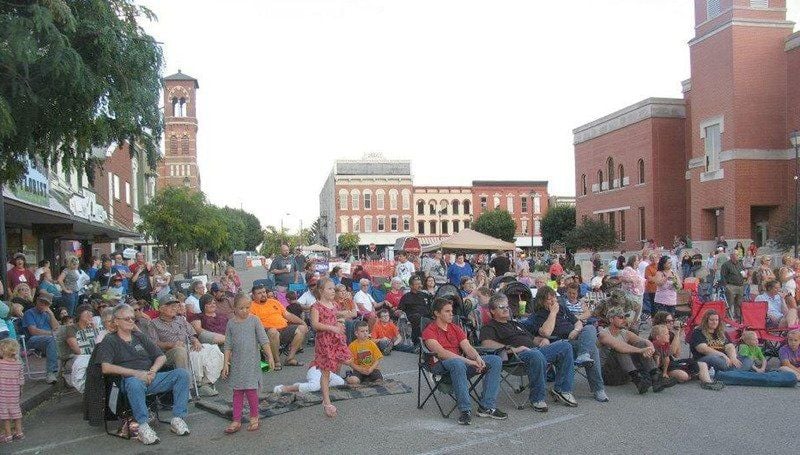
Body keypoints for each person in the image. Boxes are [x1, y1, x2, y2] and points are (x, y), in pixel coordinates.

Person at [95, 304, 191, 445]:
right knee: (134, 382)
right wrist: (136, 373)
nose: (131, 321)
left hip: (150, 376)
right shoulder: (110, 340)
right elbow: (105, 367)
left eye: (132, 318)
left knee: (182, 374)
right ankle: (143, 425)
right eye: (127, 318)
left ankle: (178, 418)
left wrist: (153, 370)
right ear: (116, 321)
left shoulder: (139, 336)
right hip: (128, 380)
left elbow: (161, 356)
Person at [480, 293, 576, 412]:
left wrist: (543, 340)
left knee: (565, 346)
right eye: (501, 307)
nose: (506, 309)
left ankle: (563, 389)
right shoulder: (490, 327)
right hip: (516, 358)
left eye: (507, 307)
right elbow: (487, 345)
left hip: (535, 350)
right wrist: (515, 349)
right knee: (535, 355)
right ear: (492, 311)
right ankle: (537, 399)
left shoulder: (515, 324)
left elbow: (533, 339)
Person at [423, 298, 506, 425]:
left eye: (452, 311)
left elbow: (467, 347)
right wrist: (469, 362)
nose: (452, 314)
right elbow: (442, 354)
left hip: (460, 365)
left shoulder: (455, 328)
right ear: (437, 313)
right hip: (440, 366)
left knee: (495, 360)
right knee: (458, 363)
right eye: (447, 311)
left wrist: (477, 358)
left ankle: (487, 407)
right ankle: (465, 410)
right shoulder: (429, 331)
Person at [530, 286, 608, 402]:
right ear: (541, 301)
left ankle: (583, 354)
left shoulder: (562, 308)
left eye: (554, 298)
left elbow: (578, 323)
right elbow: (546, 333)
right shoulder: (538, 315)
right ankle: (598, 389)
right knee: (593, 350)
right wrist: (553, 313)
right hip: (560, 344)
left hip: (575, 338)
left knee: (590, 328)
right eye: (549, 299)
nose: (553, 301)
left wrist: (576, 330)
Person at [151, 295, 223, 397]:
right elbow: (154, 343)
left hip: (188, 346)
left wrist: (195, 341)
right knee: (180, 351)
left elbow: (191, 334)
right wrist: (172, 345)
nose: (174, 308)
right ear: (161, 308)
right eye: (170, 306)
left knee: (213, 349)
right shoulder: (154, 323)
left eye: (175, 306)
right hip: (168, 353)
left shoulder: (180, 319)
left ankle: (205, 383)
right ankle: (187, 389)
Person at [221, 293, 273, 434]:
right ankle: (236, 420)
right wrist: (226, 363)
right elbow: (227, 345)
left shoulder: (254, 320)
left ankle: (254, 417)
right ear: (234, 309)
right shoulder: (231, 323)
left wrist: (270, 356)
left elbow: (264, 340)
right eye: (241, 308)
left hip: (252, 363)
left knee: (251, 391)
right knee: (237, 392)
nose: (245, 310)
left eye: (247, 307)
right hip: (237, 363)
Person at [310, 277, 353, 418]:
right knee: (326, 372)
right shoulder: (316, 306)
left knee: (343, 361)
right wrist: (333, 328)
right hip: (324, 342)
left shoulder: (334, 304)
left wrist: (341, 320)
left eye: (333, 288)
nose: (333, 290)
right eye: (330, 288)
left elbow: (349, 313)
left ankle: (329, 389)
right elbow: (315, 325)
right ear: (321, 291)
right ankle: (327, 402)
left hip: (335, 340)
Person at [596, 307, 657, 394]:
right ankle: (638, 380)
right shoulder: (603, 334)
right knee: (619, 348)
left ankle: (656, 376)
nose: (624, 320)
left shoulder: (624, 332)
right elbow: (620, 347)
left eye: (625, 317)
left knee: (641, 343)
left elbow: (645, 342)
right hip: (608, 375)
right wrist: (641, 351)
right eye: (621, 317)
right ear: (611, 319)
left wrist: (651, 348)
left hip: (625, 374)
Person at [250, 284, 308, 369]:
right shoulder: (252, 306)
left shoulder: (274, 302)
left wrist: (302, 322)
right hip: (266, 332)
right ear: (253, 296)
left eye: (264, 292)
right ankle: (276, 361)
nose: (263, 294)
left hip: (284, 329)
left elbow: (288, 315)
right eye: (259, 293)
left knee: (302, 328)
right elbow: (253, 324)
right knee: (273, 331)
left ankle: (290, 358)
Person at [689, 310, 737, 391]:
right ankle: (733, 371)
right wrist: (723, 355)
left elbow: (730, 346)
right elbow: (703, 349)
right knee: (715, 358)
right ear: (706, 320)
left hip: (725, 360)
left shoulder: (722, 332)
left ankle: (727, 373)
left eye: (716, 320)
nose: (714, 322)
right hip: (704, 359)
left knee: (747, 359)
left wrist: (733, 358)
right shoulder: (698, 332)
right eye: (711, 320)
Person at [21, 291, 60, 383]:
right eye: (41, 302)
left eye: (46, 303)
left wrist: (51, 314)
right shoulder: (29, 313)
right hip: (32, 340)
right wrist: (52, 333)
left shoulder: (47, 314)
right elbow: (33, 331)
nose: (43, 304)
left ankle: (68, 369)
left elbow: (56, 327)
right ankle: (51, 372)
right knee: (52, 340)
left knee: (63, 338)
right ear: (37, 301)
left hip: (49, 339)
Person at [649, 311, 695, 383]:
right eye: (668, 321)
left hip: (668, 362)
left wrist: (679, 334)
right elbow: (670, 352)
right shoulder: (656, 335)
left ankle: (690, 375)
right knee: (683, 376)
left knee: (695, 364)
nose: (671, 323)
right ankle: (661, 375)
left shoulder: (670, 334)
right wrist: (677, 334)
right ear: (661, 322)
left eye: (672, 320)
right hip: (659, 364)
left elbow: (677, 355)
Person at [65, 305, 101, 392]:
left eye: (91, 313)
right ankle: (89, 389)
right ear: (79, 315)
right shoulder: (72, 328)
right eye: (87, 313)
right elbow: (76, 349)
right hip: (77, 356)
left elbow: (100, 343)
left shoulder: (92, 327)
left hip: (92, 355)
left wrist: (94, 329)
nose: (90, 315)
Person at [398, 275, 432, 345]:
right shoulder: (406, 297)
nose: (420, 286)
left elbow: (431, 307)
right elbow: (400, 310)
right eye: (417, 284)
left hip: (426, 316)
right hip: (413, 318)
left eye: (420, 284)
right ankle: (417, 342)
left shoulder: (425, 295)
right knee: (417, 317)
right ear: (411, 286)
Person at [648, 325, 679, 392]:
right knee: (657, 357)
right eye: (666, 334)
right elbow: (655, 360)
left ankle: (662, 376)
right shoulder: (653, 345)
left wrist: (665, 372)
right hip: (650, 367)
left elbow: (667, 358)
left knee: (666, 357)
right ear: (658, 337)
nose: (669, 335)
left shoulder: (665, 343)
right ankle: (656, 380)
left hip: (660, 366)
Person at [720, 251, 745, 319]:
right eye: (736, 255)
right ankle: (728, 318)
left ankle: (738, 317)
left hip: (740, 285)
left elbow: (743, 272)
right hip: (730, 286)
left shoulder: (740, 263)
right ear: (731, 256)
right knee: (729, 302)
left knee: (739, 303)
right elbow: (723, 276)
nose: (738, 256)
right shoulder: (726, 265)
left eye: (738, 255)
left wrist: (744, 277)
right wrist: (725, 286)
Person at [620, 255, 644, 325]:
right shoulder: (627, 269)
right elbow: (625, 279)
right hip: (630, 294)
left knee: (637, 311)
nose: (638, 262)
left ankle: (634, 324)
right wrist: (634, 280)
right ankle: (629, 325)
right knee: (630, 312)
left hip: (638, 294)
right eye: (637, 260)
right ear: (633, 261)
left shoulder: (637, 270)